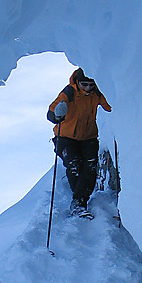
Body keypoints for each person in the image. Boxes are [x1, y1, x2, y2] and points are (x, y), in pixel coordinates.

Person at [47, 68, 111, 216]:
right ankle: (79, 203)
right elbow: (50, 114)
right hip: (65, 136)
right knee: (74, 164)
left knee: (90, 167)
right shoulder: (69, 93)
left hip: (88, 136)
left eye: (90, 84)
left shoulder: (97, 92)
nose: (87, 88)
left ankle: (79, 201)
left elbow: (109, 106)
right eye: (84, 84)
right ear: (78, 82)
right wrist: (58, 114)